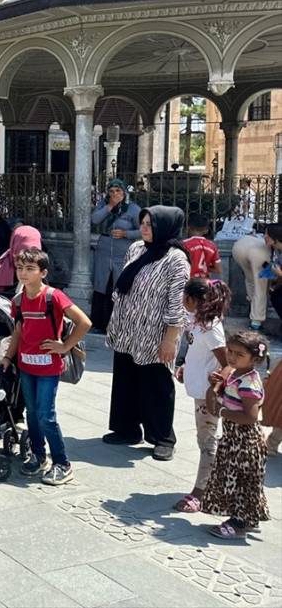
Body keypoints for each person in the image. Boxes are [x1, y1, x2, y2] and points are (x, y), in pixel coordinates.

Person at [104, 206, 191, 461]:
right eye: (142, 223)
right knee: (125, 379)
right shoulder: (136, 249)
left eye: (149, 224)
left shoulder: (176, 259)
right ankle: (127, 429)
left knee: (157, 385)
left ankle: (162, 437)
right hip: (127, 328)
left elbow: (177, 302)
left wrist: (171, 338)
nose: (143, 228)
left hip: (155, 333)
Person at [0, 248, 91, 485]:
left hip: (49, 368)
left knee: (46, 415)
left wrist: (65, 346)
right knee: (31, 413)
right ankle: (39, 456)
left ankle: (62, 463)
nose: (23, 273)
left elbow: (84, 322)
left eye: (30, 269)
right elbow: (18, 331)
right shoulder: (17, 300)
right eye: (20, 268)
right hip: (26, 366)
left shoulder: (53, 297)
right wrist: (8, 358)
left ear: (43, 272)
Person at [201, 332, 271, 540]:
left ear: (254, 359)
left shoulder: (248, 382)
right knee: (242, 481)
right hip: (234, 437)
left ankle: (240, 523)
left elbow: (249, 416)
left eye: (239, 354)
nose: (231, 357)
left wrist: (221, 411)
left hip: (245, 441)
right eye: (230, 351)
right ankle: (248, 518)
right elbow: (224, 396)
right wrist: (215, 385)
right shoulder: (236, 374)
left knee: (241, 483)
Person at [173, 278, 231, 514]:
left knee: (207, 441)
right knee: (204, 438)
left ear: (192, 299)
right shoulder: (197, 322)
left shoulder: (210, 327)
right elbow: (201, 352)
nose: (181, 300)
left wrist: (215, 388)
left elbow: (227, 362)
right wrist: (187, 367)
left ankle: (200, 492)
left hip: (209, 395)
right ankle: (213, 484)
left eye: (183, 295)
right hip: (199, 390)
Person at [90, 178, 141, 331]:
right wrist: (110, 206)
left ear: (124, 193)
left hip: (122, 252)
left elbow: (144, 230)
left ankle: (117, 324)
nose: (115, 194)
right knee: (101, 286)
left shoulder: (133, 209)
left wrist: (127, 233)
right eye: (111, 191)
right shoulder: (103, 205)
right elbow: (94, 219)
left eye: (118, 191)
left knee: (118, 286)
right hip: (104, 251)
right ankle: (99, 323)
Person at [230, 227, 280, 332]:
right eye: (265, 233)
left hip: (241, 248)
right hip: (254, 252)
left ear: (276, 239)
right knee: (260, 287)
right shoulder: (265, 249)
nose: (264, 236)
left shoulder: (265, 246)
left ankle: (255, 316)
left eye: (268, 235)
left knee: (252, 282)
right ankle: (256, 322)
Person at [0, 225, 42, 297]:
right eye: (22, 253)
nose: (27, 259)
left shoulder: (38, 270)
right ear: (14, 247)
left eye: (33, 255)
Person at [182, 213, 221, 279]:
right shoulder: (212, 246)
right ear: (206, 230)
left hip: (188, 282)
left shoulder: (183, 244)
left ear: (188, 228)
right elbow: (218, 270)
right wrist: (204, 267)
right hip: (204, 283)